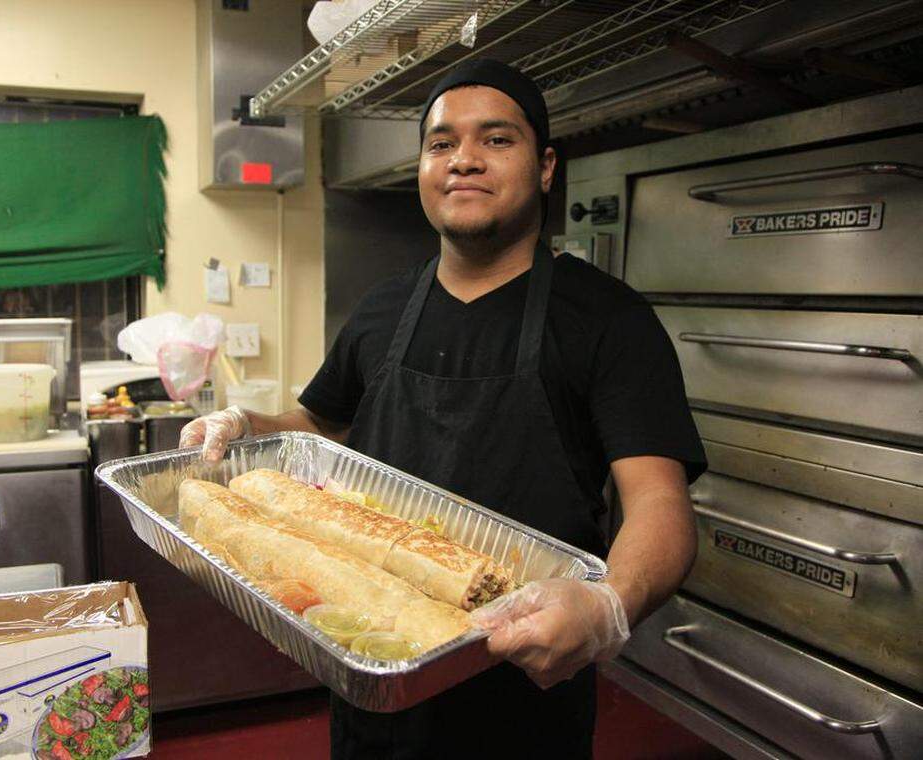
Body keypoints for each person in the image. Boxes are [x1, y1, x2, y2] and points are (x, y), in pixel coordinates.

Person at [180, 59, 706, 758]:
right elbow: (317, 426)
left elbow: (660, 505)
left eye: (496, 140)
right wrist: (247, 422)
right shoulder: (381, 308)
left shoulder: (608, 320)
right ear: (424, 167)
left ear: (545, 166)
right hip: (375, 671)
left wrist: (612, 602)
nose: (464, 160)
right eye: (441, 143)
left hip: (523, 691)